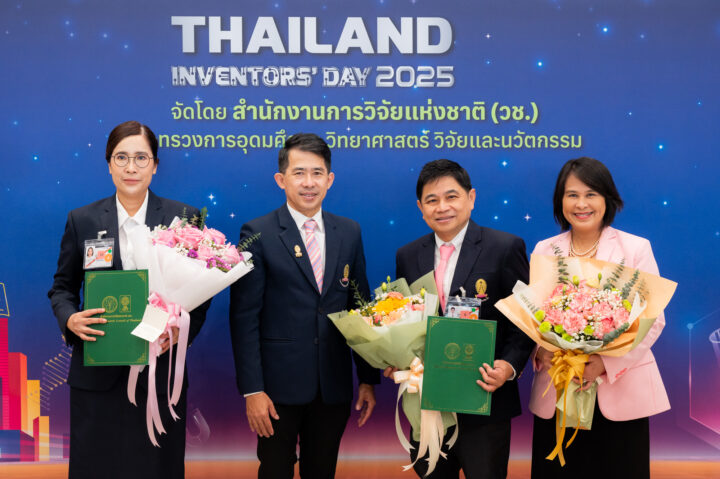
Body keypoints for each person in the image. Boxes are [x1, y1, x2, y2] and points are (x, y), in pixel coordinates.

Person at [48, 121, 210, 479]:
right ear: (109, 164)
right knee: (96, 468)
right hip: (98, 372)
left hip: (159, 374)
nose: (131, 167)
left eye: (141, 157)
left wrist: (180, 334)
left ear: (155, 165)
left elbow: (201, 295)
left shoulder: (184, 218)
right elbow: (61, 287)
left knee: (157, 468)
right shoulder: (83, 220)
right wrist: (70, 319)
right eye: (121, 157)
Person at [229, 133, 379, 479]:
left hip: (332, 386)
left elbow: (361, 308)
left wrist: (368, 379)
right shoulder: (258, 232)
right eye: (299, 173)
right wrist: (253, 390)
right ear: (281, 180)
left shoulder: (349, 232)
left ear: (330, 179)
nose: (308, 183)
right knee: (275, 470)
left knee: (322, 471)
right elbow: (244, 317)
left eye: (317, 173)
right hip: (276, 389)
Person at [391, 159, 535, 478]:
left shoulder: (504, 247)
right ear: (420, 207)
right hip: (428, 404)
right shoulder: (407, 255)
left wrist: (509, 367)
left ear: (471, 198)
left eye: (451, 196)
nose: (442, 207)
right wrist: (396, 360)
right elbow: (404, 320)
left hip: (484, 400)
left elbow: (526, 321)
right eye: (432, 200)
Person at [529, 157, 669, 478]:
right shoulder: (545, 250)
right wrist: (540, 349)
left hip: (619, 395)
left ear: (607, 199)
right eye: (572, 194)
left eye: (591, 194)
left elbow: (653, 319)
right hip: (558, 390)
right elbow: (532, 318)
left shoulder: (634, 249)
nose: (581, 204)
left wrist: (604, 363)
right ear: (559, 200)